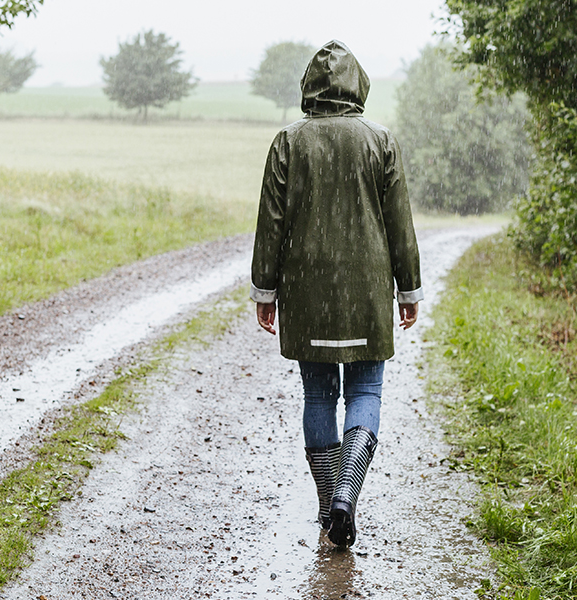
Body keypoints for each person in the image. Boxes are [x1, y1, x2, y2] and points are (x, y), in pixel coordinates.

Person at [250, 40, 422, 548]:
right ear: (358, 86)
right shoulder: (380, 140)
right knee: (366, 393)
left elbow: (270, 224)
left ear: (311, 87)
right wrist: (407, 288)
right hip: (368, 291)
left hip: (306, 291)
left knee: (318, 394)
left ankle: (328, 506)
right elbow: (400, 225)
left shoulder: (288, 141)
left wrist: (266, 289)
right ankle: (348, 496)